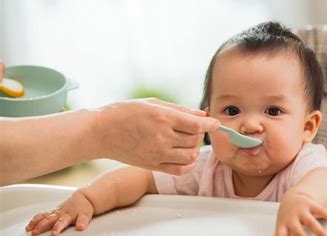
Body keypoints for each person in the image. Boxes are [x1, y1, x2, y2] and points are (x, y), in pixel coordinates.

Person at [25, 22, 327, 236]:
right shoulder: (206, 166)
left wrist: (304, 200)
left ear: (308, 127)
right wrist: (88, 198)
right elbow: (140, 178)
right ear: (207, 118)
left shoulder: (302, 169)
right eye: (232, 110)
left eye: (273, 112)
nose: (250, 125)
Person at [0, 59, 220, 186]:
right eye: (232, 110)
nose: (252, 125)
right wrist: (100, 131)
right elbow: (133, 182)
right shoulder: (201, 169)